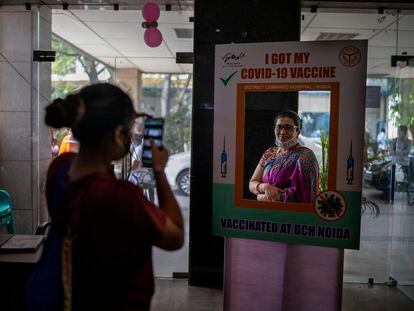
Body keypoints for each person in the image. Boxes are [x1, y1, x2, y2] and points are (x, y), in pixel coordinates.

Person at [26, 83, 184, 310]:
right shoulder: (119, 197)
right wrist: (159, 170)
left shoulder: (60, 170)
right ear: (118, 135)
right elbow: (175, 236)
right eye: (128, 130)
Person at [249, 110, 319, 203]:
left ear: (297, 131)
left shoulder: (305, 157)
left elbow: (306, 195)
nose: (282, 131)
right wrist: (265, 187)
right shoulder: (269, 153)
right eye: (279, 127)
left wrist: (261, 197)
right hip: (264, 213)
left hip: (290, 214)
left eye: (288, 127)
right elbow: (252, 183)